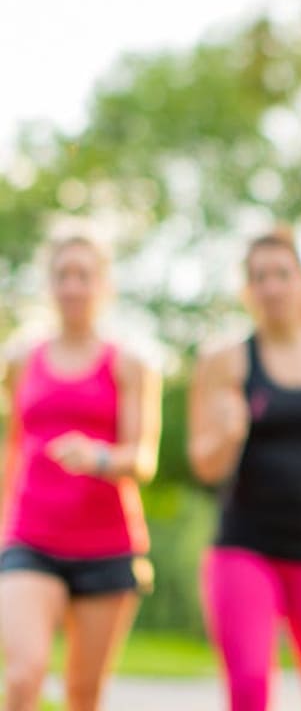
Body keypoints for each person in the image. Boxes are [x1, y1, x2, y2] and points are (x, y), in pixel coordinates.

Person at [187, 229, 301, 711]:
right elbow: (205, 466)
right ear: (248, 290)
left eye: (282, 274)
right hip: (246, 548)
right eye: (259, 277)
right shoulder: (226, 360)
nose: (272, 286)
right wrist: (227, 435)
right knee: (248, 689)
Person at [0, 233, 160, 711]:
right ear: (50, 285)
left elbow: (143, 459)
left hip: (107, 547)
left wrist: (100, 457)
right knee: (24, 674)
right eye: (62, 275)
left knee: (83, 696)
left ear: (103, 285)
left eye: (82, 275)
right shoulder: (21, 360)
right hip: (30, 539)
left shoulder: (129, 363)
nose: (72, 286)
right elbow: (12, 450)